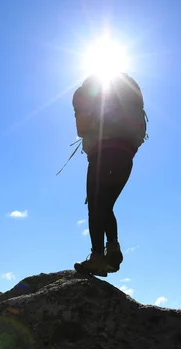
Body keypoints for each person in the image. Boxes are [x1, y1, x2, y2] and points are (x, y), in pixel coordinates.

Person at [72, 72, 148, 276]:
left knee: (96, 206)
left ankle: (98, 256)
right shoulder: (125, 94)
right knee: (105, 205)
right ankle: (113, 248)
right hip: (126, 155)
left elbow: (82, 128)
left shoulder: (84, 94)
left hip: (102, 154)